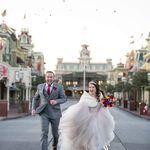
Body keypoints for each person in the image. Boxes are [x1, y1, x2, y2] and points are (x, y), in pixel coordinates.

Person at [57, 80, 115, 150]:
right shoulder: (85, 96)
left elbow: (107, 105)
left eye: (93, 87)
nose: (91, 89)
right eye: (90, 87)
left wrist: (108, 101)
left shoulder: (100, 96)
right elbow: (78, 108)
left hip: (96, 122)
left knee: (93, 143)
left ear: (96, 88)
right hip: (85, 123)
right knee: (84, 143)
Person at [32, 71, 67, 150]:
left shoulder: (59, 87)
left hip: (55, 113)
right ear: (45, 77)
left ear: (53, 78)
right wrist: (33, 108)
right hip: (44, 112)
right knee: (44, 133)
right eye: (48, 77)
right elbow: (36, 98)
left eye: (51, 77)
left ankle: (54, 144)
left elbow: (64, 98)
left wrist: (56, 101)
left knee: (55, 134)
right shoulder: (40, 86)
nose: (49, 78)